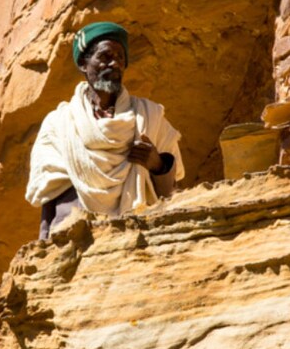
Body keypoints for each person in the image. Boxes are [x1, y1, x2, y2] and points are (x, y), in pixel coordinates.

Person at [26, 22, 184, 239]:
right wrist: (43, 244)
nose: (114, 63)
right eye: (105, 56)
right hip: (72, 238)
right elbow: (48, 192)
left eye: (120, 57)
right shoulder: (59, 123)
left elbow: (172, 192)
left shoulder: (149, 115)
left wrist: (156, 164)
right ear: (84, 63)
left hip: (136, 239)